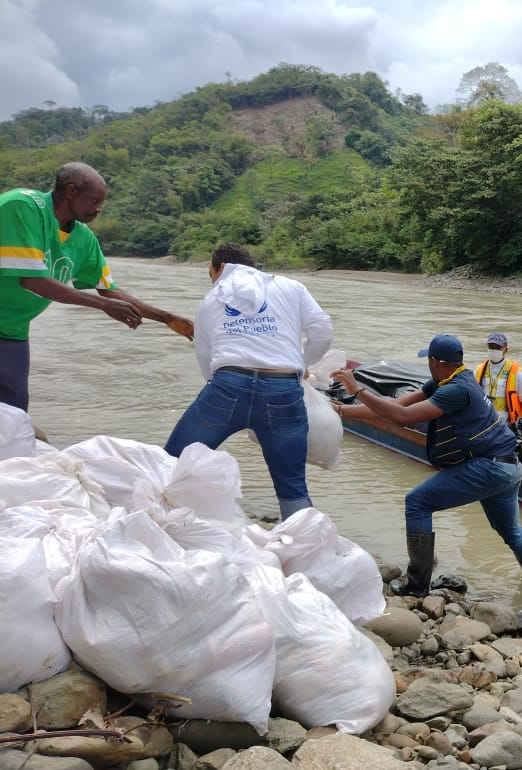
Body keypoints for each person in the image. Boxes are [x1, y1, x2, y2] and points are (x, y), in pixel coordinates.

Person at [333, 334, 522, 595]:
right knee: (509, 529)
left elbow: (402, 417)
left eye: (428, 359)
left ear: (434, 361)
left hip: (490, 467)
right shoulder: (452, 379)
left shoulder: (455, 390)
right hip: (510, 466)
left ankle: (417, 585)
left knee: (417, 502)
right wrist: (341, 410)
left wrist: (357, 390)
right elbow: (394, 405)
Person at [0, 162, 194, 411]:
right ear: (71, 192)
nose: (99, 209)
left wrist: (166, 318)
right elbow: (32, 279)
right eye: (94, 201)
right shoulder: (23, 207)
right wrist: (102, 305)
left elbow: (108, 290)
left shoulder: (83, 239)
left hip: (12, 332)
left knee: (14, 416)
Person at [164, 243, 333, 521]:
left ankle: (155, 524)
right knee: (291, 485)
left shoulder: (211, 298)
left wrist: (224, 391)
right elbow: (323, 332)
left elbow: (205, 356)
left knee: (172, 461)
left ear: (218, 268)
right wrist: (299, 365)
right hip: (284, 391)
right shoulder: (292, 287)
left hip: (227, 387)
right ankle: (306, 549)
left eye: (210, 272)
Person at [474, 331, 522, 428]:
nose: (494, 350)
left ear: (506, 349)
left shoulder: (515, 372)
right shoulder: (479, 370)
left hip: (506, 426)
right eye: (491, 347)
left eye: (498, 348)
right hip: (484, 424)